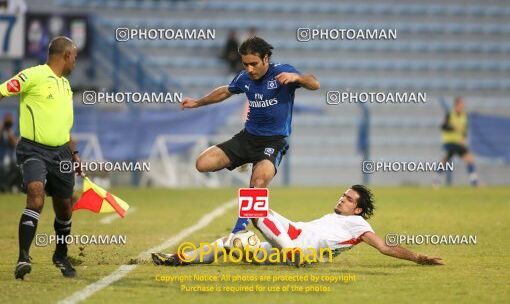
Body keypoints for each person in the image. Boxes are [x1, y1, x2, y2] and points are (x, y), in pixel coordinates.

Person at [179, 36, 320, 245]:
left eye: (254, 63)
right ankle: (245, 160)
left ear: (266, 58)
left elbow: (314, 83)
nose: (250, 69)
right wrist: (197, 102)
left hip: (273, 142)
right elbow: (225, 91)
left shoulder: (282, 72)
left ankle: (239, 230)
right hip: (247, 138)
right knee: (202, 164)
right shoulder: (244, 78)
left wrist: (296, 78)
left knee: (258, 182)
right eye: (246, 64)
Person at [152, 185, 443, 267]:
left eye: (349, 198)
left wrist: (418, 257)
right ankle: (178, 259)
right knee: (230, 242)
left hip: (299, 245)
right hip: (289, 237)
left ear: (359, 209)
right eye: (343, 194)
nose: (342, 199)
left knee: (255, 209)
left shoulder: (356, 223)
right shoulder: (339, 218)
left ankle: (292, 253)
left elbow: (383, 247)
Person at [0, 36, 82, 279]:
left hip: (62, 153)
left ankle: (60, 254)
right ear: (66, 55)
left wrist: (74, 153)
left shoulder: (65, 86)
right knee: (35, 197)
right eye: (75, 57)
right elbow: (2, 90)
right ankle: (23, 258)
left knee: (65, 209)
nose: (75, 63)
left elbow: (64, 128)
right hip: (34, 149)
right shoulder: (33, 76)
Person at [435, 97, 479, 187]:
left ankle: (474, 181)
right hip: (449, 142)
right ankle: (436, 179)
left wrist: (463, 138)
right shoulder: (449, 115)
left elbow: (464, 130)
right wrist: (453, 128)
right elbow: (443, 126)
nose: (463, 106)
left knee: (468, 158)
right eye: (461, 104)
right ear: (457, 105)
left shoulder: (464, 116)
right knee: (445, 160)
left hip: (458, 142)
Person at [0, 113, 20, 192]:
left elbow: (16, 143)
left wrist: (10, 134)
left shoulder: (15, 131)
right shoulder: (2, 131)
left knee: (17, 169)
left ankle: (10, 186)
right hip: (2, 157)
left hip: (12, 158)